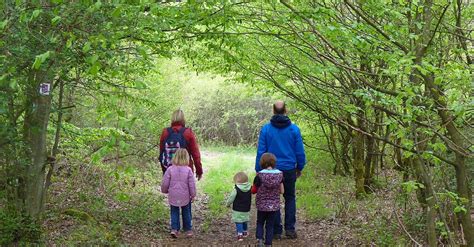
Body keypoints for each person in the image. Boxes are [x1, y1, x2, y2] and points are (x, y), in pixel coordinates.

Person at [255, 101, 306, 239]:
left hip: (270, 170)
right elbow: (299, 151)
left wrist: (258, 169)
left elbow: (261, 151)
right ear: (285, 110)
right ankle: (290, 229)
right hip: (289, 169)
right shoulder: (294, 129)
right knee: (290, 198)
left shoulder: (266, 129)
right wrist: (299, 167)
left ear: (273, 110)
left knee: (273, 198)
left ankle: (276, 231)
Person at [161, 148, 196, 238]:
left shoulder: (170, 169)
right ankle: (188, 230)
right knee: (186, 212)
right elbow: (191, 184)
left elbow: (165, 182)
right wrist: (193, 195)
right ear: (186, 158)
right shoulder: (188, 170)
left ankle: (174, 229)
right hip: (185, 195)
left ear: (175, 157)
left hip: (173, 195)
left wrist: (164, 190)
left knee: (174, 211)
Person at [159, 109, 203, 180]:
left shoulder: (165, 132)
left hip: (169, 170)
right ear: (183, 119)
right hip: (186, 171)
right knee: (187, 190)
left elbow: (161, 153)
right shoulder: (188, 132)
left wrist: (164, 171)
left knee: (171, 190)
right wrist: (199, 171)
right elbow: (196, 155)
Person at [252, 153, 284, 247]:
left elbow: (254, 190)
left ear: (262, 163)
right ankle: (268, 244)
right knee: (270, 225)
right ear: (274, 163)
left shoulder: (259, 176)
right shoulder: (280, 175)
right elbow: (282, 191)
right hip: (273, 206)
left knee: (260, 222)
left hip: (261, 204)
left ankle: (259, 239)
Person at [226, 172, 252, 241]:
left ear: (237, 181)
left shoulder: (236, 189)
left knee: (238, 221)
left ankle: (240, 235)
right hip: (246, 208)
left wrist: (228, 204)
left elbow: (231, 197)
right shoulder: (250, 188)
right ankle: (245, 232)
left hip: (237, 209)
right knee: (245, 220)